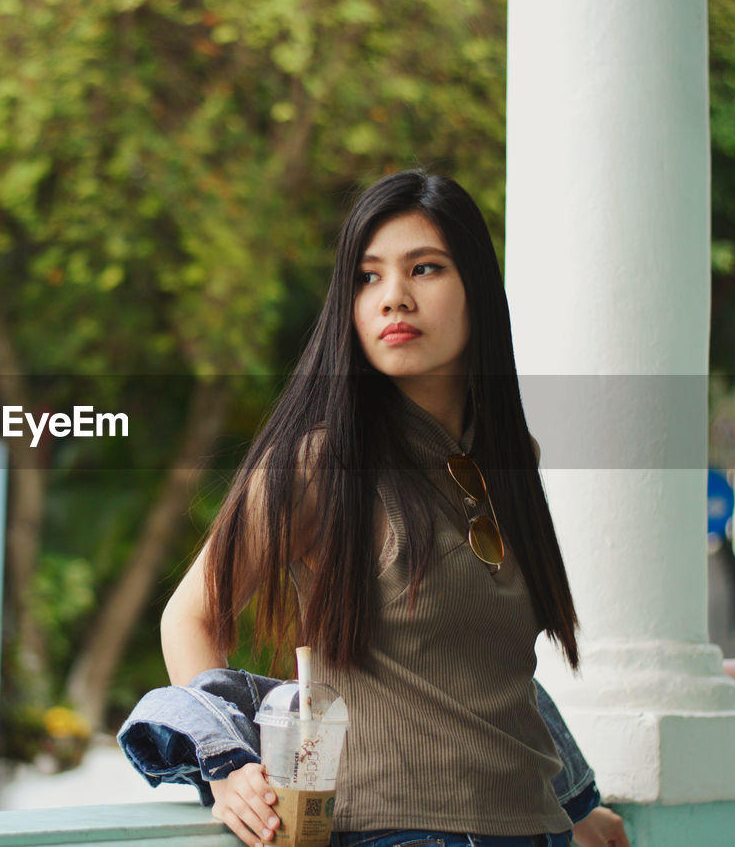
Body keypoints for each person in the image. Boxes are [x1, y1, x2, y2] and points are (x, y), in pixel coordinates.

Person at [158, 170, 630, 847]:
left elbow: (491, 666)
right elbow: (192, 612)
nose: (394, 298)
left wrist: (576, 803)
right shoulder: (321, 465)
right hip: (399, 831)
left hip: (537, 831)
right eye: (368, 277)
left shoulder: (507, 459)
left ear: (478, 291)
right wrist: (229, 766)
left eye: (425, 268)